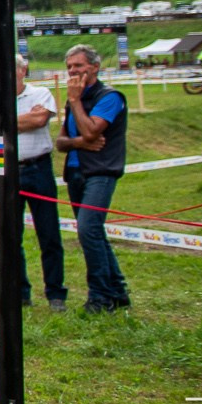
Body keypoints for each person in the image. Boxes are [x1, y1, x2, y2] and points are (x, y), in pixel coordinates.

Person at [56, 44, 129, 313]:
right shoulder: (72, 99)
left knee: (88, 229)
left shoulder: (110, 97)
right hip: (75, 173)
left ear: (94, 67)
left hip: (101, 172)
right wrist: (80, 142)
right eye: (69, 67)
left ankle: (100, 297)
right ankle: (118, 290)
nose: (73, 71)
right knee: (93, 232)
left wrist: (75, 102)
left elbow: (91, 131)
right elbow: (62, 142)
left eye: (78, 65)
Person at [14, 55, 67, 310]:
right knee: (12, 237)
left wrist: (5, 123)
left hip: (39, 168)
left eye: (13, 69)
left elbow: (39, 120)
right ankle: (21, 292)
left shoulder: (41, 94)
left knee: (49, 234)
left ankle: (56, 294)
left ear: (23, 70)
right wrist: (24, 120)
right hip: (9, 170)